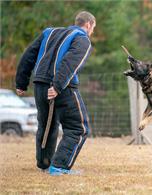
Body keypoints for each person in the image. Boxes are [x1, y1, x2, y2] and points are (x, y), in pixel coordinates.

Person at [16, 11, 96, 175]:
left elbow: (28, 55)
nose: (92, 31)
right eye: (93, 28)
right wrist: (58, 86)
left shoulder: (49, 32)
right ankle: (59, 166)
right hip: (62, 87)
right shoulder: (82, 38)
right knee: (79, 128)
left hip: (39, 85)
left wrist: (21, 83)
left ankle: (44, 164)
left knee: (47, 127)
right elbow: (71, 62)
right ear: (88, 24)